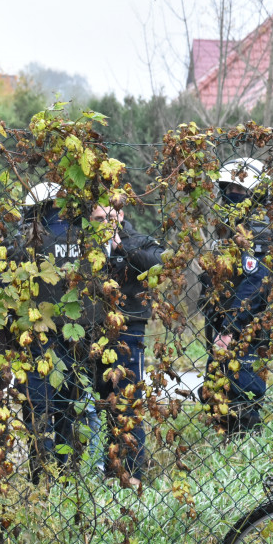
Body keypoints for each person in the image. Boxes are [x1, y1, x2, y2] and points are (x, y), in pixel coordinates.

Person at [10, 182, 88, 482]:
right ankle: (69, 478)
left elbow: (8, 290)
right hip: (77, 336)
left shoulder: (26, 243)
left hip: (38, 339)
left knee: (39, 414)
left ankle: (41, 477)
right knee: (71, 410)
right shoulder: (84, 239)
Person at [198, 157, 273, 435]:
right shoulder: (229, 227)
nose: (233, 195)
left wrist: (231, 328)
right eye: (228, 188)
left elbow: (255, 284)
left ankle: (244, 449)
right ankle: (226, 443)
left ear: (256, 192)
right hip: (221, 326)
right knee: (215, 393)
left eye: (240, 190)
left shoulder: (259, 229)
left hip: (243, 329)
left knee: (243, 393)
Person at [90, 203, 164, 480]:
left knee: (127, 400)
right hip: (91, 330)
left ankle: (130, 473)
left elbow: (159, 264)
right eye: (98, 218)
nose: (104, 224)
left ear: (120, 216)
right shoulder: (83, 244)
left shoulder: (139, 240)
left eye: (110, 217)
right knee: (95, 401)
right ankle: (103, 467)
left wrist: (125, 249)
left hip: (128, 330)